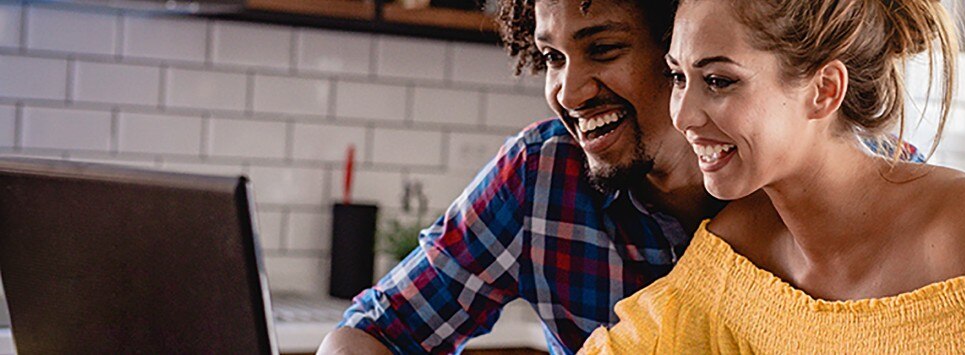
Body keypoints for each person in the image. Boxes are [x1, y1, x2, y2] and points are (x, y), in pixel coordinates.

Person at [319, 0, 922, 353]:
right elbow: (376, 331)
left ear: (680, 45)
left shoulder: (861, 186)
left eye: (602, 49)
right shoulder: (542, 173)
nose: (569, 91)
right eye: (553, 58)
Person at [580, 0, 965, 353]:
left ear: (824, 91)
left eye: (719, 81)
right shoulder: (735, 258)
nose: (684, 114)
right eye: (679, 77)